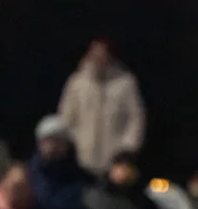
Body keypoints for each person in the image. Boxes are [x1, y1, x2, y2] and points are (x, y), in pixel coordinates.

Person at [58, 38, 145, 175]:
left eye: (102, 53)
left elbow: (136, 117)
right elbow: (66, 116)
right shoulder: (77, 82)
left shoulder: (125, 83)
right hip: (82, 157)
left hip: (115, 156)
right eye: (94, 53)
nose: (98, 57)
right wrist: (69, 144)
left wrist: (128, 147)